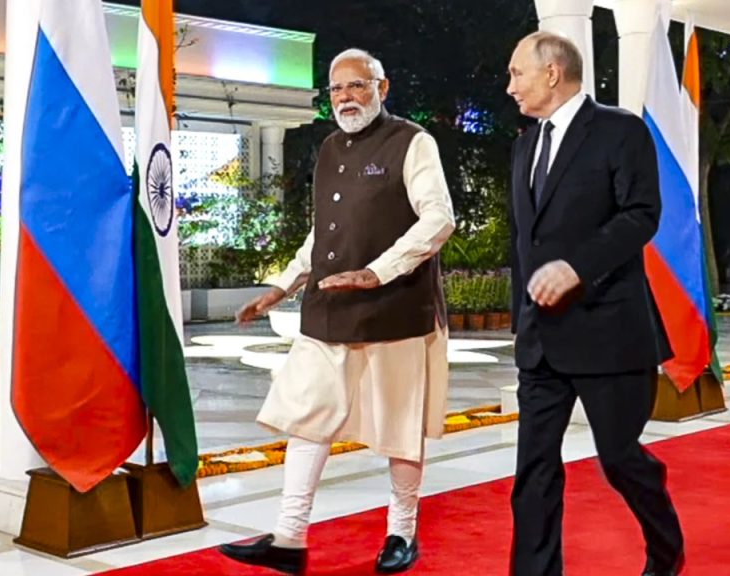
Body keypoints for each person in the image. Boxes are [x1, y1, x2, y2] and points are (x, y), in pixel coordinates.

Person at [217, 48, 455, 576]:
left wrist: (378, 271)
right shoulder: (328, 148)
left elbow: (439, 219)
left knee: (400, 424)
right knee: (308, 417)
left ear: (382, 88)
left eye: (357, 85)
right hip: (328, 306)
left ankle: (401, 533)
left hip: (395, 307)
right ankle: (289, 537)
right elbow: (324, 231)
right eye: (337, 89)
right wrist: (282, 284)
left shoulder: (413, 142)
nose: (346, 97)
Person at [504, 31, 684, 576]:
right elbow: (526, 241)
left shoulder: (620, 131)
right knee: (533, 471)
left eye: (516, 73)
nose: (510, 86)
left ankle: (666, 550)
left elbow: (640, 215)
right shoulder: (525, 145)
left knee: (620, 459)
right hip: (540, 342)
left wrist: (577, 268)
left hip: (608, 331)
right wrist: (520, 320)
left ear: (552, 72)